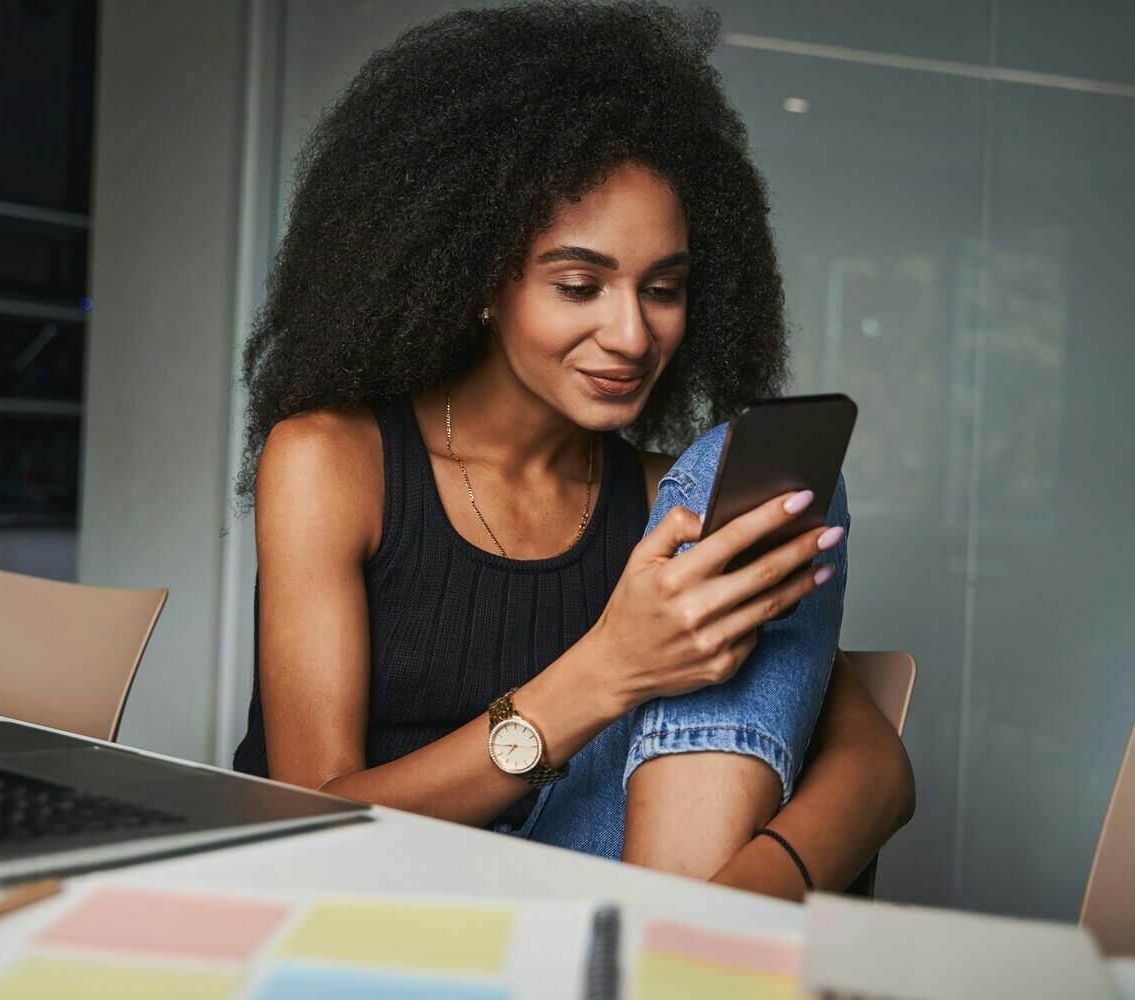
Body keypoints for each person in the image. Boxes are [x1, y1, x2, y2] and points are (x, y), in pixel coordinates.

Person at [231, 0, 913, 898]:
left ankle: (678, 953)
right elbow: (315, 820)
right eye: (581, 285)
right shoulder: (332, 462)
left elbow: (878, 776)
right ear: (475, 277)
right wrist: (606, 673)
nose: (632, 334)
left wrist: (741, 898)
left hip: (594, 910)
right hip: (358, 897)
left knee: (756, 469)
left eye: (663, 289)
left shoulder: (671, 504)